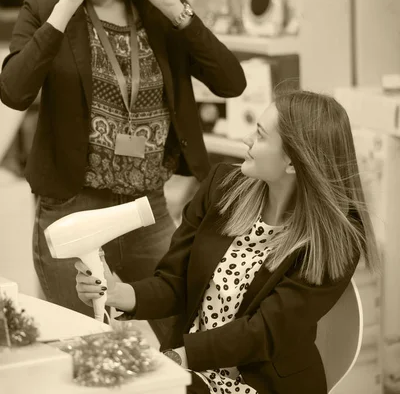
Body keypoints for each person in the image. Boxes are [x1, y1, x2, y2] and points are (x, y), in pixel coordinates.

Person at [0, 0, 246, 342]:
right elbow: (13, 92)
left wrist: (176, 8)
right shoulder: (46, 9)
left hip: (146, 207)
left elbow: (232, 83)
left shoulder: (158, 10)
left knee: (178, 331)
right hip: (74, 206)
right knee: (78, 343)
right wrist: (63, 11)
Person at [76, 90, 379, 394]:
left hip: (260, 384)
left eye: (260, 136)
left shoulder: (335, 240)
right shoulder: (223, 187)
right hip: (193, 371)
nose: (247, 140)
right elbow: (176, 282)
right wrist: (116, 292)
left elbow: (263, 332)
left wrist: (173, 358)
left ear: (292, 163)